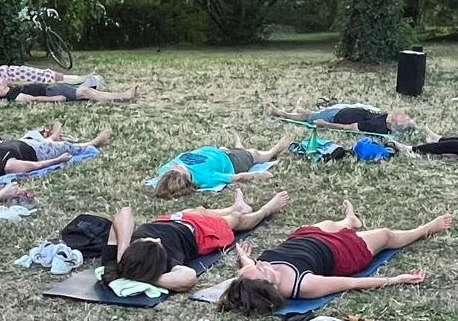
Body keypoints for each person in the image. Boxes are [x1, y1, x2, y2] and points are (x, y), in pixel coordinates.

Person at [216, 200, 451, 315]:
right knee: (386, 235)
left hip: (306, 237)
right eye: (261, 268)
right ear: (269, 285)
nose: (261, 262)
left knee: (330, 224)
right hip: (341, 251)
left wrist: (242, 255)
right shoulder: (303, 285)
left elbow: (249, 267)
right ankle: (425, 229)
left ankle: (350, 221)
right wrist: (396, 279)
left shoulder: (254, 275)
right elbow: (351, 283)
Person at [103, 189, 292, 291]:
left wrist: (122, 256)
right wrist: (149, 277)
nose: (158, 239)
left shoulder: (122, 255)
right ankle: (266, 210)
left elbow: (125, 212)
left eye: (148, 240)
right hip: (199, 233)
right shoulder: (166, 264)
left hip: (174, 219)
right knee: (235, 220)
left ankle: (236, 206)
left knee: (198, 211)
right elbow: (188, 278)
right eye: (156, 243)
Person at [153, 134, 292, 199]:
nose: (176, 165)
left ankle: (239, 147)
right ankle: (274, 151)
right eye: (178, 168)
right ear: (184, 176)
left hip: (218, 152)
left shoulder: (166, 170)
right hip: (233, 161)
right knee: (254, 154)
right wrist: (258, 175)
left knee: (234, 149)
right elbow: (236, 177)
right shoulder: (205, 177)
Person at [0, 128, 111, 183]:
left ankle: (51, 137)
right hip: (38, 151)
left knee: (34, 134)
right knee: (65, 146)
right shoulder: (9, 165)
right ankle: (92, 143)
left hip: (22, 142)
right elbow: (37, 166)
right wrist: (59, 160)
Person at [277, 103, 418, 136]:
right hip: (344, 110)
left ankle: (281, 113)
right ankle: (300, 110)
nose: (402, 114)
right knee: (313, 113)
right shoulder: (386, 119)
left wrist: (326, 125)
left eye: (402, 117)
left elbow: (349, 127)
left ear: (392, 125)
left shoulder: (376, 126)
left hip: (336, 117)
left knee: (308, 117)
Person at [0, 76, 135, 105]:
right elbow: (34, 99)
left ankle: (122, 95)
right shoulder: (13, 95)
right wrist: (55, 99)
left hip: (52, 88)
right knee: (88, 93)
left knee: (87, 92)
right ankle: (123, 96)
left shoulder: (12, 89)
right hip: (52, 92)